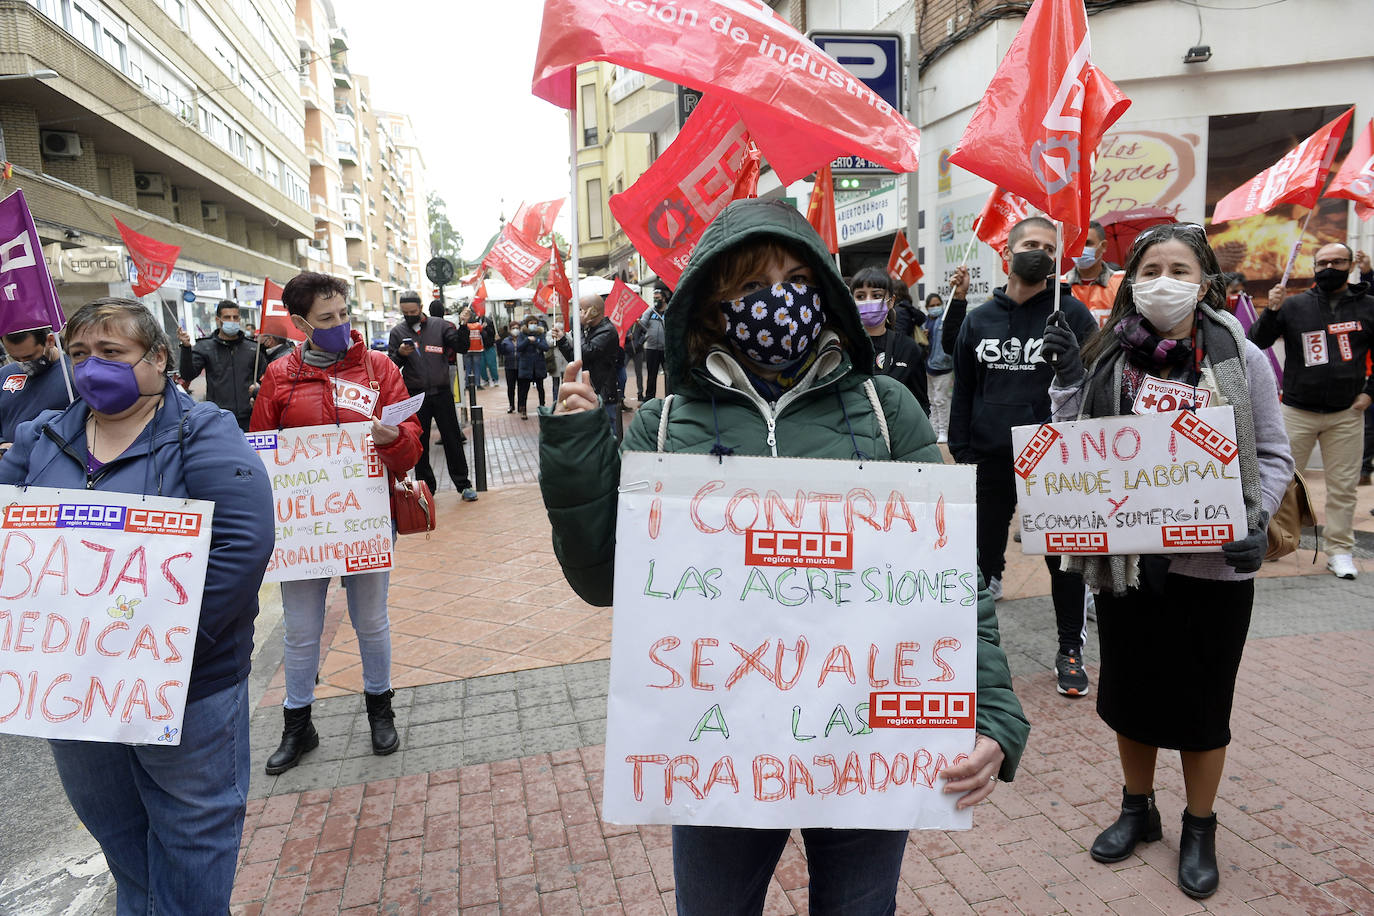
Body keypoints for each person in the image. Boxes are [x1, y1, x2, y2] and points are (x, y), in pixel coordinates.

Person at [537, 198, 1029, 914]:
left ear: (824, 291)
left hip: (865, 742)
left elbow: (951, 582)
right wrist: (579, 452)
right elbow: (602, 581)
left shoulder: (887, 410)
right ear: (710, 306)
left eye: (795, 277)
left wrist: (993, 712)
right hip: (717, 748)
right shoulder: (663, 424)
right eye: (748, 286)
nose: (777, 300)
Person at [1042, 223, 1293, 899]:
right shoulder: (1105, 357)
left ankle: (1200, 824)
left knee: (1204, 702)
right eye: (1152, 267)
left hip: (1213, 570)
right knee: (1129, 692)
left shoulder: (1239, 355)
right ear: (1131, 279)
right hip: (1128, 567)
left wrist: (1256, 517)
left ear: (1205, 280)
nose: (1165, 280)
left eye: (1181, 269)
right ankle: (1138, 808)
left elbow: (1273, 456)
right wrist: (1067, 380)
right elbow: (1072, 447)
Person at [0, 297, 273, 913]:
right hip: (72, 690)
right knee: (123, 842)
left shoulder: (202, 433)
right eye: (78, 354)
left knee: (192, 838)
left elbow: (241, 546)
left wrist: (165, 648)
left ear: (157, 360)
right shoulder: (40, 439)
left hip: (184, 686)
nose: (92, 366)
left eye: (110, 352)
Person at [251, 272, 423, 773]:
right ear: (301, 323)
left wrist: (392, 437)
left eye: (344, 314)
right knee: (301, 631)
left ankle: (380, 712)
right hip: (303, 530)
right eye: (326, 319)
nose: (340, 325)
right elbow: (262, 452)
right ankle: (297, 724)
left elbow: (408, 452)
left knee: (371, 621)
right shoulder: (279, 376)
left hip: (368, 520)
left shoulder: (378, 369)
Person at [948, 216, 1097, 698]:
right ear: (1007, 252)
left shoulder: (1073, 316)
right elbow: (965, 385)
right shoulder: (979, 318)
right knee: (981, 558)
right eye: (1030, 244)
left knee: (1062, 561)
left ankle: (1069, 647)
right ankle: (969, 649)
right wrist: (960, 443)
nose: (1039, 253)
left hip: (1051, 459)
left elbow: (1093, 388)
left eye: (1049, 248)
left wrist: (1073, 361)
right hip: (990, 453)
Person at [1248, 241, 1374, 580]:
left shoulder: (1369, 307)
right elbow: (1255, 342)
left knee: (1344, 487)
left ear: (1350, 264)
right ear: (1313, 267)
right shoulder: (1294, 306)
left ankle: (1340, 550)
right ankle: (1274, 542)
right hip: (1296, 410)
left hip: (1346, 412)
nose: (1329, 267)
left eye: (1337, 261)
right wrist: (1271, 311)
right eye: (1323, 262)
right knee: (1281, 481)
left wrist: (1369, 394)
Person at [388, 290, 477, 501]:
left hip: (442, 393)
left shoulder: (440, 326)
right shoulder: (398, 332)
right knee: (419, 442)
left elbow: (461, 347)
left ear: (420, 307)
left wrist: (464, 326)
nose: (409, 315)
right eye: (405, 312)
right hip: (416, 396)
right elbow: (390, 366)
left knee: (452, 439)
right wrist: (400, 354)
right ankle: (426, 487)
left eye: (413, 311)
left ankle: (463, 484)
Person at [177, 299, 266, 431]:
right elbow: (187, 374)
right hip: (219, 418)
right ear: (218, 320)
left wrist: (258, 390)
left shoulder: (253, 348)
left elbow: (266, 379)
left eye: (235, 317)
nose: (232, 321)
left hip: (249, 417)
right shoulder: (205, 347)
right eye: (227, 317)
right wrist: (186, 348)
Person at [850, 265, 929, 412]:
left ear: (891, 301)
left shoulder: (907, 348)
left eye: (876, 295)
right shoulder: (843, 346)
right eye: (860, 296)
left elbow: (921, 404)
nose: (868, 301)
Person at [553, 294, 622, 430]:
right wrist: (562, 341)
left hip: (604, 393)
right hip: (591, 390)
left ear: (593, 311)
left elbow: (585, 353)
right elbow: (577, 359)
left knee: (607, 434)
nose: (578, 314)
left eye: (581, 310)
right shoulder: (591, 330)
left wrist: (578, 327)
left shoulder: (607, 331)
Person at [0, 326, 72, 452]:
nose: (23, 364)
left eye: (29, 357)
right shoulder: (5, 374)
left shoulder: (73, 376)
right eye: (16, 358)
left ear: (50, 341)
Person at [1066, 221, 1124, 328]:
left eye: (1087, 243)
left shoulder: (1122, 283)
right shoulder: (1059, 286)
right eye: (1076, 243)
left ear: (1103, 246)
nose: (1080, 249)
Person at [924, 291, 957, 444]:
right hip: (928, 365)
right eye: (932, 305)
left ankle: (944, 430)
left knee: (941, 400)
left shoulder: (944, 320)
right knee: (932, 400)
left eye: (938, 304)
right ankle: (934, 429)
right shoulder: (926, 322)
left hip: (942, 367)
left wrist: (946, 357)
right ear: (927, 307)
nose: (936, 308)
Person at [516, 312, 550, 419]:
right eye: (531, 323)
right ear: (526, 324)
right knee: (524, 389)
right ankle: (523, 410)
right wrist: (527, 340)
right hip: (526, 366)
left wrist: (535, 342)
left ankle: (542, 407)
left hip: (538, 365)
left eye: (535, 323)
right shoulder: (522, 334)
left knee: (540, 388)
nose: (533, 325)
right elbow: (519, 347)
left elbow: (545, 347)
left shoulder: (540, 333)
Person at [638, 284, 668, 399]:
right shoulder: (650, 311)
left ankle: (669, 397)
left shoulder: (669, 310)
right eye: (654, 298)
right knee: (652, 375)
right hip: (651, 348)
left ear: (664, 298)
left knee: (668, 375)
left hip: (666, 349)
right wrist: (638, 321)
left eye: (658, 298)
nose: (656, 300)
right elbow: (643, 324)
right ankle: (649, 398)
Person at [497, 321, 521, 413]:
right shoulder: (506, 341)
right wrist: (498, 342)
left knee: (521, 387)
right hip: (509, 367)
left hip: (521, 366)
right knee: (511, 387)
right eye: (513, 328)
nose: (515, 330)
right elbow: (501, 352)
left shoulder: (523, 339)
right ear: (510, 330)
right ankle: (511, 405)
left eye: (517, 328)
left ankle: (521, 405)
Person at [479, 309, 500, 388]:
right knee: (481, 365)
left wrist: (486, 327)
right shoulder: (475, 321)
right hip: (480, 347)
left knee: (492, 364)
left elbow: (493, 333)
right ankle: (485, 379)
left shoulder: (489, 321)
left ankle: (495, 379)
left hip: (489, 346)